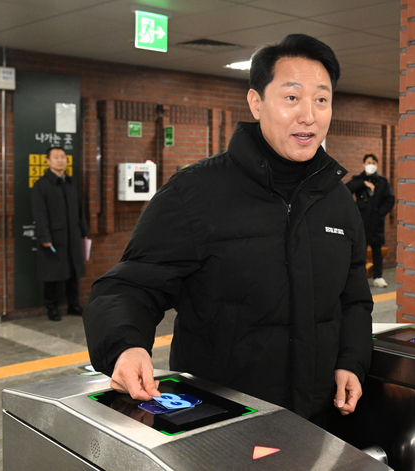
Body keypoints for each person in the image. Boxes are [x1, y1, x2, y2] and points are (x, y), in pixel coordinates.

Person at [83, 34, 373, 425]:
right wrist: (125, 346)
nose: (309, 114)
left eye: (321, 99)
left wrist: (351, 361)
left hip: (317, 415)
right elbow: (129, 286)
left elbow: (353, 299)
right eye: (291, 97)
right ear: (256, 102)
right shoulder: (195, 192)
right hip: (222, 417)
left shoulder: (337, 200)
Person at [31, 146, 89, 321]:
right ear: (48, 161)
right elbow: (39, 214)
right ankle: (52, 308)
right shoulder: (41, 185)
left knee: (73, 272)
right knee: (52, 274)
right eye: (56, 157)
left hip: (72, 236)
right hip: (54, 238)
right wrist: (45, 237)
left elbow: (80, 210)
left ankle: (73, 304)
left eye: (63, 157)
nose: (60, 160)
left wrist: (84, 231)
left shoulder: (70, 183)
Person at [346, 154, 395, 288]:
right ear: (363, 164)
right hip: (361, 222)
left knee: (377, 250)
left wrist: (380, 213)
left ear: (377, 165)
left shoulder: (382, 181)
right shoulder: (357, 180)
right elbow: (346, 189)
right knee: (359, 251)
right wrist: (363, 183)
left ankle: (378, 277)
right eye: (368, 162)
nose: (371, 164)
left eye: (373, 162)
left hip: (376, 222)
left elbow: (390, 199)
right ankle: (359, 279)